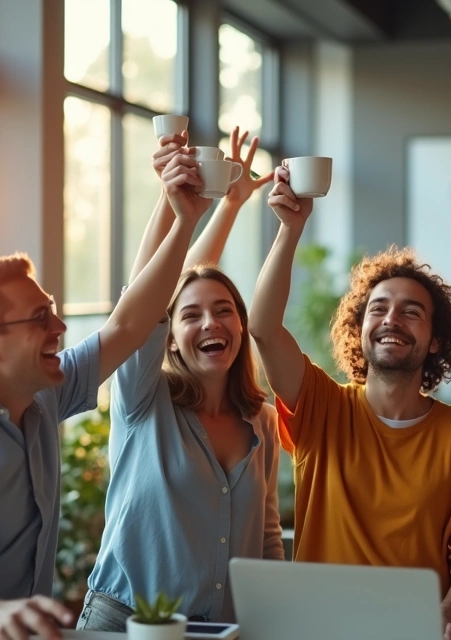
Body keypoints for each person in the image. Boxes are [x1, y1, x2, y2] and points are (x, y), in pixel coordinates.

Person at [0, 129, 213, 640]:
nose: (59, 329)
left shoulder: (40, 393)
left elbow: (127, 324)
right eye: (39, 319)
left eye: (52, 311)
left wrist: (181, 215)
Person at [249, 165, 451, 640]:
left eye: (411, 311)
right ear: (358, 331)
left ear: (436, 341)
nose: (391, 319)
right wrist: (290, 230)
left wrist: (443, 615)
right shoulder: (321, 405)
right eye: (378, 309)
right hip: (313, 627)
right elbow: (261, 327)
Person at [77, 127, 281, 629]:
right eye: (190, 316)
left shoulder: (263, 421)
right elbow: (140, 305)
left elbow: (268, 534)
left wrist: (230, 204)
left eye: (224, 310)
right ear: (168, 335)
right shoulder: (142, 399)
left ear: (241, 322)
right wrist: (177, 208)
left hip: (225, 629)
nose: (211, 323)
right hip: (125, 624)